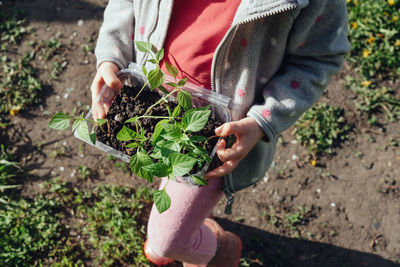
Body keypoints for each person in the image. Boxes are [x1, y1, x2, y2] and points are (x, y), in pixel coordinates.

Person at [91, 0, 351, 266]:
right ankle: (186, 230)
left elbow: (318, 59)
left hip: (217, 133)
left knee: (168, 241)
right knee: (164, 186)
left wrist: (262, 121)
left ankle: (219, 251)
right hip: (151, 102)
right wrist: (112, 57)